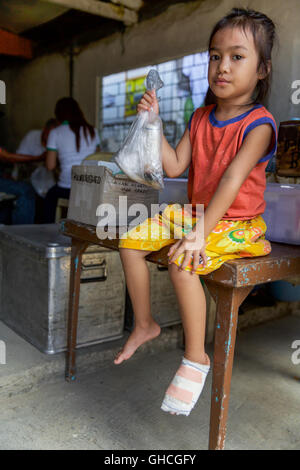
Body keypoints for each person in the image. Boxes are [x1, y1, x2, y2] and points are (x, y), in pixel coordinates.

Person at [114, 7, 278, 417]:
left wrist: (199, 232)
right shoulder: (200, 116)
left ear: (262, 69)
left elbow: (232, 180)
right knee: (129, 242)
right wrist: (153, 124)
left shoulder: (260, 124)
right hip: (198, 213)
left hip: (238, 223)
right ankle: (145, 324)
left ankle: (195, 357)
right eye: (214, 55)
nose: (222, 66)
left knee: (185, 262)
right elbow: (173, 166)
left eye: (237, 56)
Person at [43, 97, 100, 223]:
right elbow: (97, 159)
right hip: (91, 187)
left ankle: (49, 230)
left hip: (68, 188)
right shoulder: (92, 131)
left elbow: (50, 166)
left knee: (49, 197)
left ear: (58, 114)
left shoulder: (55, 133)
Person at [0, 118, 57, 224]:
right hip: (29, 180)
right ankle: (21, 233)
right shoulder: (33, 137)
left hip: (43, 184)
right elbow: (6, 157)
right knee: (26, 191)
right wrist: (39, 158)